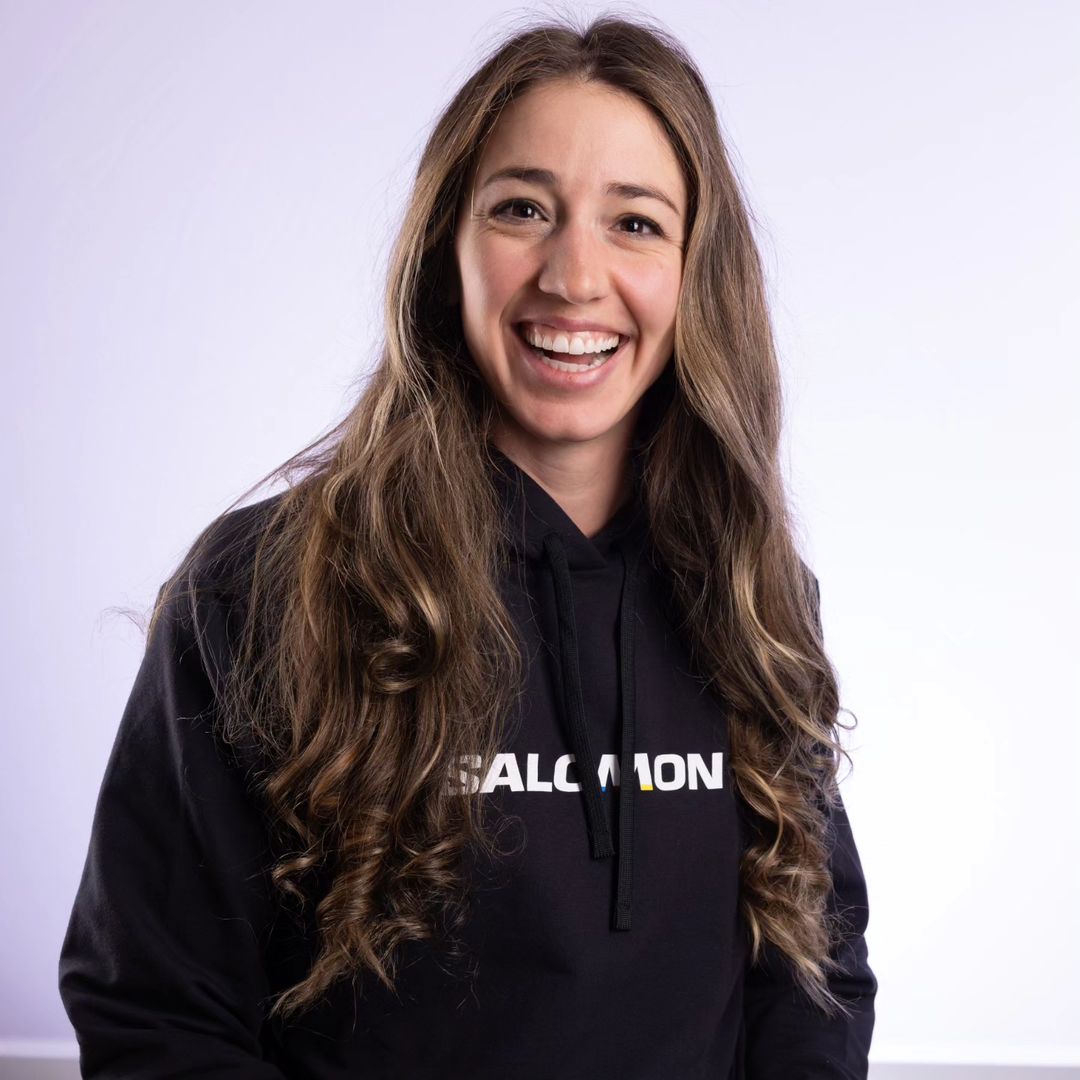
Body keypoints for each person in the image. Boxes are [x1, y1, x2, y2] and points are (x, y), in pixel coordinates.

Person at [58, 13, 877, 1079]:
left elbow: (813, 968)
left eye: (635, 223)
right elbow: (159, 1014)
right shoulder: (263, 587)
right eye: (522, 209)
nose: (574, 277)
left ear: (696, 274)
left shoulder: (750, 595)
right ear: (446, 249)